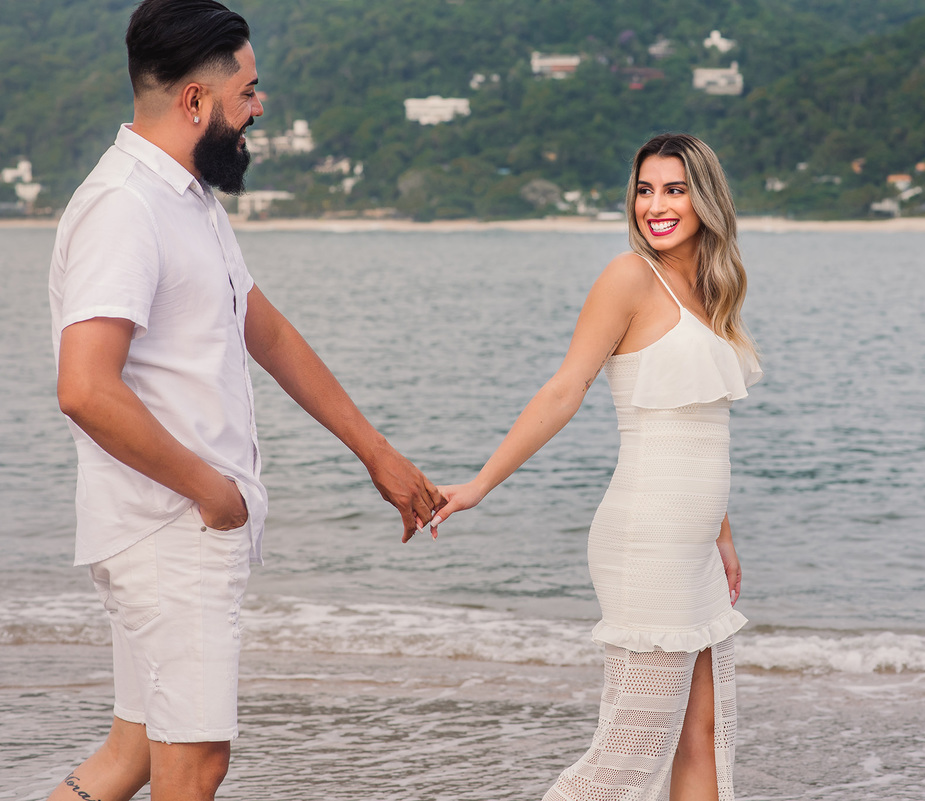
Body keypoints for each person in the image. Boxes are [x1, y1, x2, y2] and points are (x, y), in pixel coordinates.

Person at [45, 1, 444, 799]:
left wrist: (379, 454)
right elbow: (85, 388)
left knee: (133, 757)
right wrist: (213, 493)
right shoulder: (125, 206)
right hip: (169, 529)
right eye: (249, 91)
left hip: (166, 529)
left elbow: (268, 334)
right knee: (194, 767)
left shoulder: (187, 198)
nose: (260, 108)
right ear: (196, 100)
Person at [431, 132, 762, 801]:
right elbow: (564, 389)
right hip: (648, 543)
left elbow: (695, 429)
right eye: (645, 189)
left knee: (704, 739)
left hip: (693, 547)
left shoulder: (709, 288)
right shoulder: (629, 277)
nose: (656, 205)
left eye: (674, 189)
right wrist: (480, 483)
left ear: (705, 198)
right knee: (625, 761)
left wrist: (720, 536)